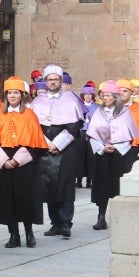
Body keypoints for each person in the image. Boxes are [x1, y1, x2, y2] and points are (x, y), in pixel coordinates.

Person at [30, 64, 86, 239]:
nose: (53, 82)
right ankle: (55, 223)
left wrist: (58, 144)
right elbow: (34, 126)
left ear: (61, 81)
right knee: (48, 187)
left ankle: (66, 223)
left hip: (65, 150)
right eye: (50, 79)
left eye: (56, 79)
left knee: (65, 187)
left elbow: (75, 126)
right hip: (44, 150)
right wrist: (47, 144)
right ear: (45, 81)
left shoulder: (71, 99)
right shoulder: (37, 101)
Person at [0, 77, 45, 249]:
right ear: (5, 96)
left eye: (16, 93)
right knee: (7, 200)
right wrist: (4, 161)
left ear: (22, 95)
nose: (13, 96)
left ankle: (29, 233)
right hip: (3, 162)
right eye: (10, 93)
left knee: (25, 198)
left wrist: (18, 159)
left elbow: (37, 143)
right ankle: (13, 234)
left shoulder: (29, 115)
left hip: (25, 163)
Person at [87, 80, 139, 231]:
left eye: (108, 95)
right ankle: (101, 216)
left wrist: (116, 147)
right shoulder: (99, 112)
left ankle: (120, 217)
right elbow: (92, 133)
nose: (104, 97)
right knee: (101, 186)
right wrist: (103, 147)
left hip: (119, 156)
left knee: (117, 186)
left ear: (115, 97)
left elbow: (128, 135)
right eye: (103, 95)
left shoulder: (125, 112)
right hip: (102, 154)